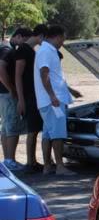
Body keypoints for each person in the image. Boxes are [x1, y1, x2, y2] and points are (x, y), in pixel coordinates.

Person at [34, 25, 82, 176]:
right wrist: (53, 96)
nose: (63, 42)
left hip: (50, 100)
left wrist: (70, 91)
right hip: (53, 101)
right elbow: (44, 73)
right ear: (57, 36)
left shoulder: (47, 50)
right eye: (63, 39)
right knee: (58, 134)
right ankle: (60, 166)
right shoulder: (46, 51)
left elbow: (55, 76)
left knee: (48, 134)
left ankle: (47, 166)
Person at [15, 24, 47, 172]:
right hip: (28, 96)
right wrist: (21, 99)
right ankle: (29, 162)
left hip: (35, 94)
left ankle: (33, 161)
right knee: (32, 130)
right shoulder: (23, 50)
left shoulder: (32, 51)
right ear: (40, 36)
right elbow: (18, 76)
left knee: (36, 129)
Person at [0, 28, 32, 170]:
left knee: (6, 127)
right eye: (25, 40)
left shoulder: (4, 46)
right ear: (18, 36)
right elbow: (1, 69)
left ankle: (7, 160)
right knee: (13, 126)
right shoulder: (8, 50)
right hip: (7, 94)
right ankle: (10, 160)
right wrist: (11, 89)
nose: (25, 44)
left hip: (2, 94)